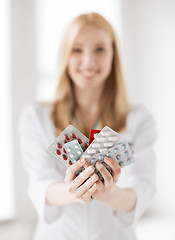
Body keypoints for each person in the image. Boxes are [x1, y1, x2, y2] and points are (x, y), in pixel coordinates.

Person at [19, 12, 157, 240]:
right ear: (65, 55)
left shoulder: (139, 119)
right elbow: (40, 185)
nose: (89, 62)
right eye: (77, 49)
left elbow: (142, 189)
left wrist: (109, 194)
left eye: (100, 49)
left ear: (114, 55)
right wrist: (74, 191)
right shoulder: (35, 116)